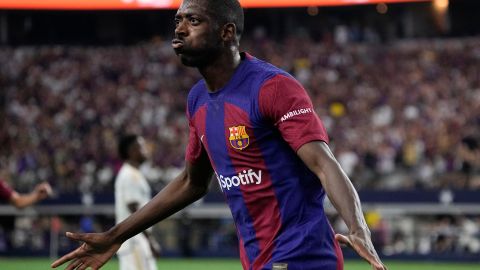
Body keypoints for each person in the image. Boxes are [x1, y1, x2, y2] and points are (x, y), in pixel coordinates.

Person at [51, 1, 387, 269]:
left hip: (302, 256)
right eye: (178, 21)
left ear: (227, 32)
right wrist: (115, 235)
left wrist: (358, 228)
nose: (179, 30)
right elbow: (191, 182)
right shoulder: (197, 100)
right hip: (256, 259)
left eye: (193, 21)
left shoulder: (273, 88)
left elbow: (324, 164)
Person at [115, 134, 161, 270]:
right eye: (141, 146)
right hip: (135, 241)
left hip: (136, 240)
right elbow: (134, 209)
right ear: (132, 151)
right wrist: (150, 239)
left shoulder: (133, 173)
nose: (146, 150)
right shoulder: (130, 175)